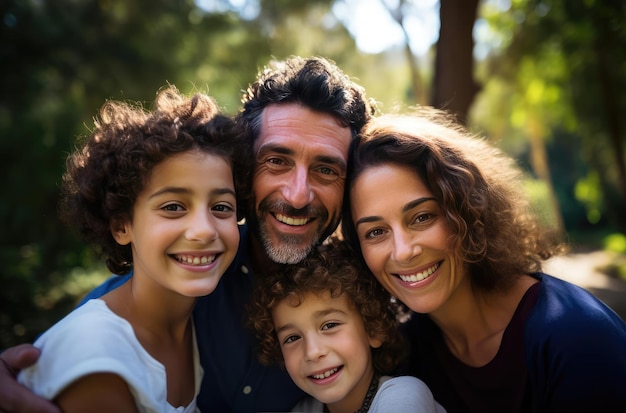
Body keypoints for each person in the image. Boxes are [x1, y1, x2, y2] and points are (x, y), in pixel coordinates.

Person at [0, 56, 375, 413]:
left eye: (326, 170)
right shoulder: (187, 269)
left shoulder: (364, 288)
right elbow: (85, 337)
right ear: (244, 172)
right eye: (276, 161)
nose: (297, 195)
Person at [341, 108, 626, 412]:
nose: (402, 251)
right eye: (375, 232)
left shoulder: (576, 337)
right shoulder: (400, 355)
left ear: (465, 211)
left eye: (422, 217)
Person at [16, 86, 243, 412]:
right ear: (122, 225)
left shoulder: (198, 325)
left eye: (222, 207)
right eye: (174, 207)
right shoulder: (97, 360)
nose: (204, 230)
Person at [249, 238, 446, 413]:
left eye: (329, 325)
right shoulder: (303, 409)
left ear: (372, 329)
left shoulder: (404, 395)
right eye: (292, 338)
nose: (312, 352)